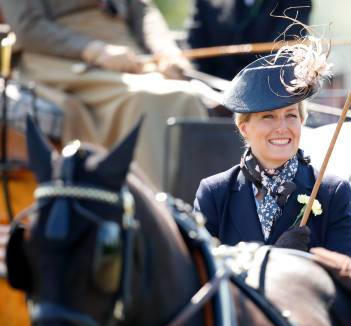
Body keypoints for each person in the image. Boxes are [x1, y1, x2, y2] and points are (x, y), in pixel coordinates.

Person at [1, 0, 209, 189]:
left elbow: (144, 11)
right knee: (146, 98)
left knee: (187, 95)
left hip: (128, 55)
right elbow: (28, 27)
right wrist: (94, 50)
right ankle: (150, 210)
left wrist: (165, 51)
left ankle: (197, 210)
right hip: (60, 59)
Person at [193, 38, 351, 259]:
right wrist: (272, 256)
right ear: (244, 128)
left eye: (290, 115)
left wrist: (309, 262)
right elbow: (204, 275)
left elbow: (345, 282)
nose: (282, 128)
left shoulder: (331, 193)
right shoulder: (214, 194)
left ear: (301, 121)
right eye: (268, 117)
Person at [187, 0, 312, 80]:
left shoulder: (296, 2)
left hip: (267, 95)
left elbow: (283, 51)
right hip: (211, 96)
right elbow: (195, 49)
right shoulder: (206, 3)